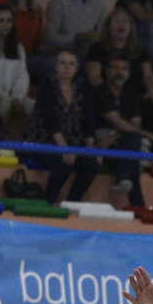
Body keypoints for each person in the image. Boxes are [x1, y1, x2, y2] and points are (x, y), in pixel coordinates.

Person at [25, 49, 99, 203]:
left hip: (73, 143)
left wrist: (90, 144)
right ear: (55, 66)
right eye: (62, 63)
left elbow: (89, 118)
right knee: (64, 163)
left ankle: (73, 201)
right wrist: (64, 147)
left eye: (71, 64)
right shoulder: (47, 86)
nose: (67, 67)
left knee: (91, 164)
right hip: (44, 141)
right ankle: (49, 200)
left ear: (77, 68)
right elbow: (49, 120)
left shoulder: (81, 89)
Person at [94, 55, 153, 207]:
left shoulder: (131, 94)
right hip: (101, 142)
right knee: (133, 153)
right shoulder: (100, 92)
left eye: (124, 68)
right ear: (106, 71)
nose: (119, 72)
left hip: (119, 141)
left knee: (133, 141)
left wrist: (115, 136)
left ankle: (124, 180)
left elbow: (135, 126)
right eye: (115, 68)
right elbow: (119, 123)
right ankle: (139, 207)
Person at [85, 6, 153, 94]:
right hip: (105, 94)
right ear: (108, 27)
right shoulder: (97, 48)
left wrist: (151, 91)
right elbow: (94, 77)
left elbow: (149, 76)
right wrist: (114, 94)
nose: (121, 24)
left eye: (125, 21)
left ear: (131, 28)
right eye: (117, 21)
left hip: (134, 95)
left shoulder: (139, 50)